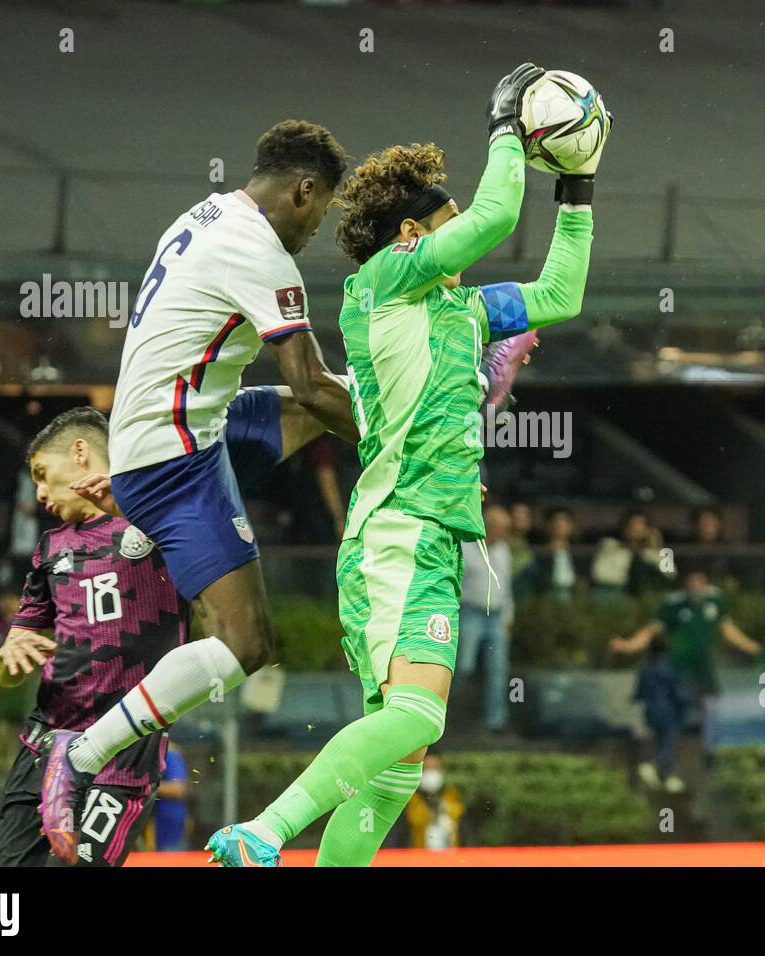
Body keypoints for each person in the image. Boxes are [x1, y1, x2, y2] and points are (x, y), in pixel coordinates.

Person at [206, 61, 606, 867]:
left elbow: (560, 294)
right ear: (414, 235)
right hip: (400, 533)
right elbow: (495, 214)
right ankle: (266, 831)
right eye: (448, 221)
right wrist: (505, 128)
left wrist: (579, 187)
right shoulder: (381, 283)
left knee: (396, 773)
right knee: (419, 721)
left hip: (420, 538)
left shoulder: (460, 306)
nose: (467, 230)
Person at [37, 120, 359, 859]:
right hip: (177, 461)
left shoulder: (204, 213)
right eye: (320, 211)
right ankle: (82, 755)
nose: (316, 228)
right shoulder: (260, 253)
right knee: (248, 643)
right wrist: (407, 444)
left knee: (338, 409)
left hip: (183, 434)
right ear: (304, 190)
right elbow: (307, 383)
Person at [0, 389, 329, 866]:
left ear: (81, 452)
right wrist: (7, 659)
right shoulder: (50, 548)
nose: (40, 494)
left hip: (123, 754)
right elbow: (12, 659)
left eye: (43, 476)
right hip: (45, 739)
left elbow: (217, 565)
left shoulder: (158, 510)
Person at [610, 565, 761, 789]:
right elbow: (651, 630)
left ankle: (711, 767)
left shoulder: (714, 603)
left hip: (705, 674)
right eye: (691, 580)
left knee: (712, 717)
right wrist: (629, 645)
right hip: (680, 675)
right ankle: (665, 769)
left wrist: (756, 649)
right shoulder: (675, 605)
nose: (696, 585)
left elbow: (729, 631)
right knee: (673, 724)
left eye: (700, 580)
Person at [458, 503, 515, 732]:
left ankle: (495, 722)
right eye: (502, 528)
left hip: (497, 615)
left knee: (498, 669)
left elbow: (506, 587)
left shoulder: (504, 550)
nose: (505, 533)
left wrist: (508, 619)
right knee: (463, 665)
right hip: (470, 612)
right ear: (488, 527)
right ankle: (448, 712)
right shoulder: (465, 545)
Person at [632, 635, 687, 793]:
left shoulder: (645, 668)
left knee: (659, 742)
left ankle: (665, 778)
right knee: (669, 743)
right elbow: (678, 692)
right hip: (667, 710)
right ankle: (653, 766)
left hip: (650, 711)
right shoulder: (669, 668)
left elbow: (638, 693)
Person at [400, 754, 466, 850]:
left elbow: (464, 830)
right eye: (427, 768)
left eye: (435, 767)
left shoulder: (452, 797)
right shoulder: (408, 800)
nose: (431, 773)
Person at [523, 506, 582, 600]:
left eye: (565, 522)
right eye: (556, 522)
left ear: (571, 527)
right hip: (548, 596)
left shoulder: (579, 553)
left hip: (572, 596)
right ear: (549, 526)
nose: (560, 526)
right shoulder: (540, 553)